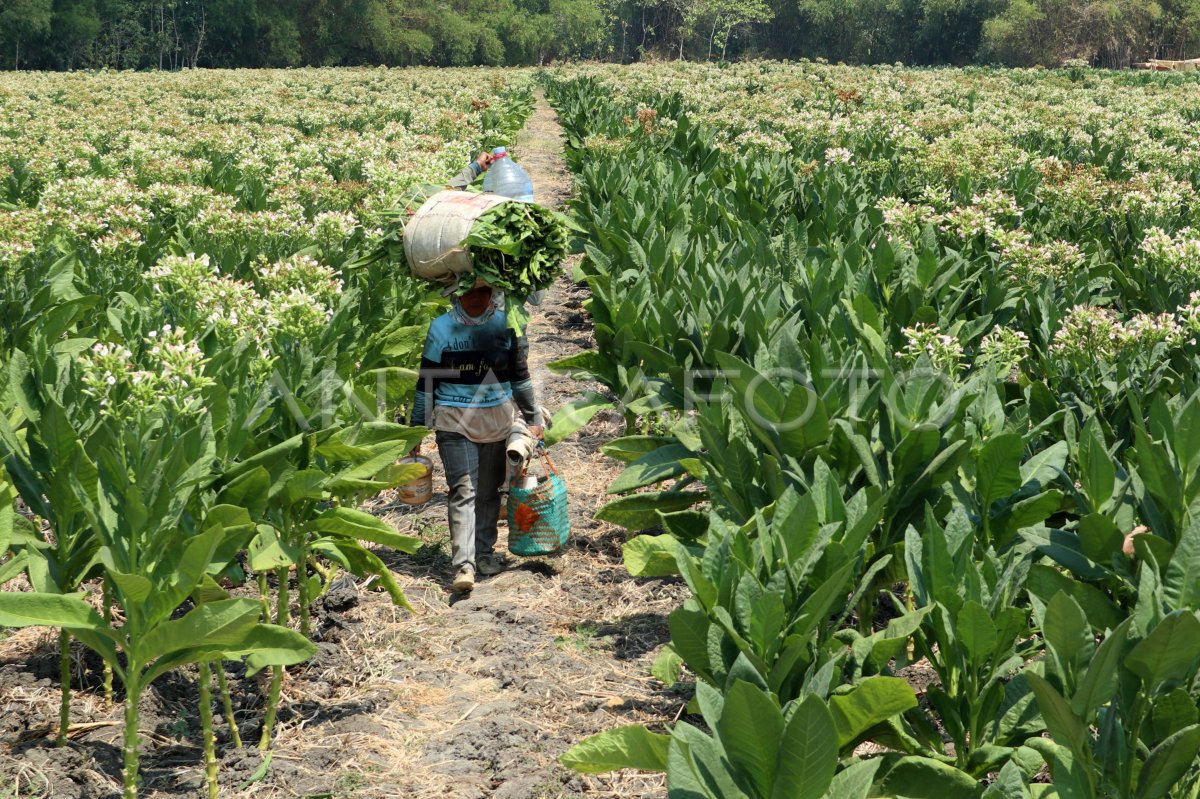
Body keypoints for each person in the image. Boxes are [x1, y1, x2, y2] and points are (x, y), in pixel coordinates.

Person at [409, 282, 544, 593]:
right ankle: (464, 566)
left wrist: (533, 417)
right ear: (456, 294)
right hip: (454, 419)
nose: (476, 299)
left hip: (496, 418)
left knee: (488, 492)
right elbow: (426, 381)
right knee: (463, 489)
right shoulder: (441, 327)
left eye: (482, 292)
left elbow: (519, 376)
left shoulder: (505, 324)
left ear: (491, 294)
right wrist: (416, 428)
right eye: (468, 292)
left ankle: (484, 553)